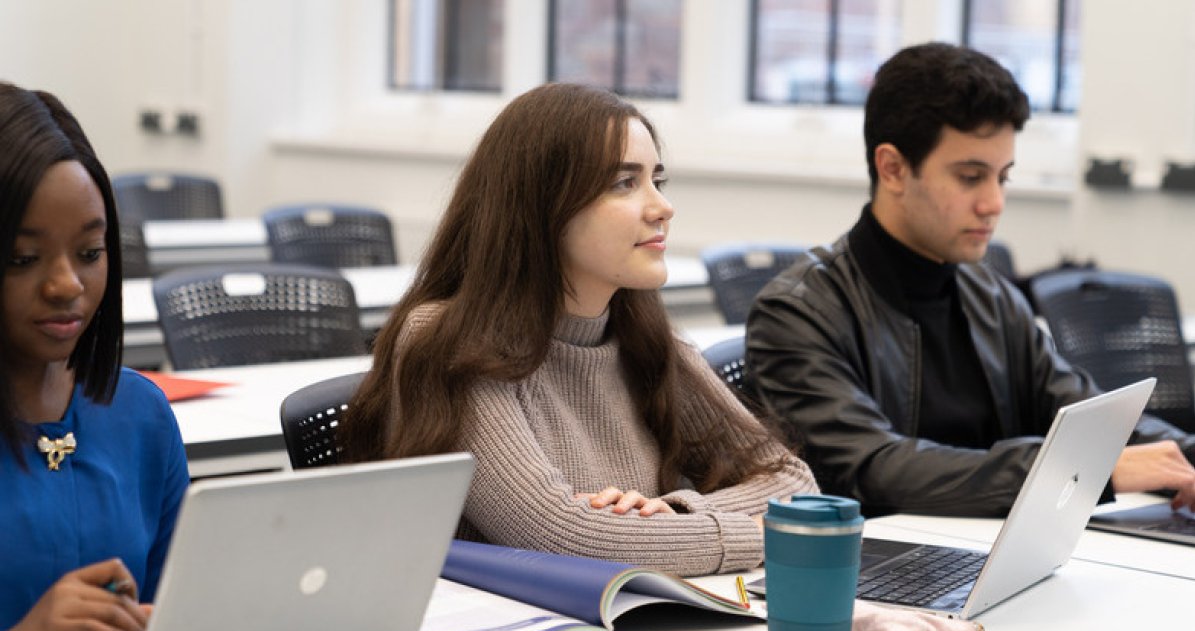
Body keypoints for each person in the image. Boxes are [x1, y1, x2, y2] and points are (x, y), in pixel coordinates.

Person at [340, 82, 818, 577]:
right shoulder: (452, 342)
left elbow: (795, 483)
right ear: (543, 207)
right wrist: (761, 534)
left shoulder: (648, 338)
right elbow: (562, 536)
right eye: (623, 183)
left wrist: (680, 512)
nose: (661, 207)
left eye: (657, 180)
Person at [747, 42, 1195, 518]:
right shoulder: (796, 314)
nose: (993, 202)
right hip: (879, 573)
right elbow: (873, 467)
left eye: (1002, 177)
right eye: (969, 177)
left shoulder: (992, 296)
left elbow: (1093, 420)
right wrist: (1082, 470)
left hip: (996, 557)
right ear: (893, 169)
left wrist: (1184, 456)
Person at [0, 82, 190, 631]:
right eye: (23, 259)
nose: (67, 286)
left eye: (89, 253)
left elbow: (176, 612)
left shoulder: (139, 415)